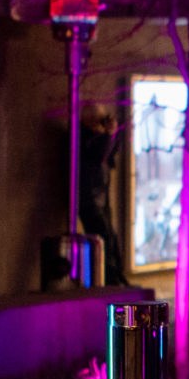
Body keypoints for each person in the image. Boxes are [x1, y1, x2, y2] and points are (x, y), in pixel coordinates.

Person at [78, 105, 128, 286]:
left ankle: (117, 277)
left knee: (111, 238)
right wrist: (108, 135)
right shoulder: (82, 138)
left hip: (100, 197)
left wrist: (113, 134)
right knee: (103, 237)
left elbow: (111, 154)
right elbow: (99, 155)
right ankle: (111, 280)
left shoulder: (97, 138)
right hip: (89, 198)